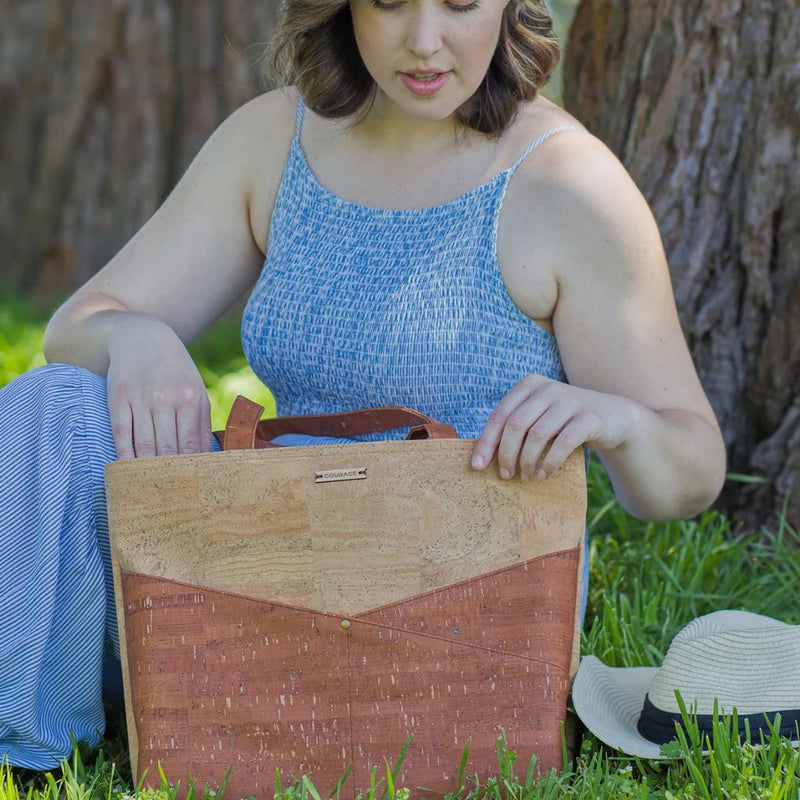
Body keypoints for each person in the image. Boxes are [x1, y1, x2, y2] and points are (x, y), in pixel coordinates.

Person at [0, 0, 726, 770]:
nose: (422, 41)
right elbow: (76, 328)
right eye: (388, 2)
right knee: (52, 406)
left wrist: (615, 417)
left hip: (454, 610)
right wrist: (131, 333)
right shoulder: (274, 140)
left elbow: (689, 473)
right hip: (255, 572)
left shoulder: (567, 183)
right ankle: (34, 746)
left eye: (459, 4)